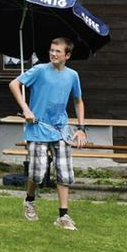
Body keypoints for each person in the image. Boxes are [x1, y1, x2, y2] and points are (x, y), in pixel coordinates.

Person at [9, 37, 87, 231]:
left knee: (65, 172)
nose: (53, 53)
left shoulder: (72, 76)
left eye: (57, 51)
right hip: (37, 129)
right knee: (37, 173)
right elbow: (14, 84)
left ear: (67, 55)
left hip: (61, 129)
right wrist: (26, 109)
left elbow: (78, 101)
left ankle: (63, 216)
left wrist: (81, 128)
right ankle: (29, 200)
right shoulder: (40, 70)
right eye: (51, 50)